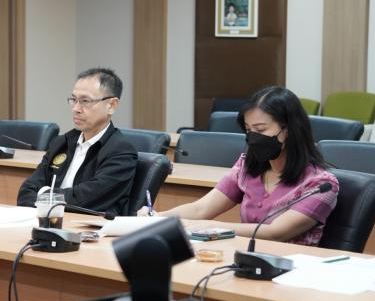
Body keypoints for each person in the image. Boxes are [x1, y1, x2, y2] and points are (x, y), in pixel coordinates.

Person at [140, 86, 339, 246]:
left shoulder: (321, 184)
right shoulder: (247, 167)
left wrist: (205, 227)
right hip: (247, 260)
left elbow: (275, 233)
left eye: (261, 129)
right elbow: (201, 208)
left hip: (291, 270)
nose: (253, 137)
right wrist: (158, 217)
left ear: (288, 130)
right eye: (249, 130)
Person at [17, 68, 138, 216]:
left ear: (111, 105)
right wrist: (49, 198)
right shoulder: (62, 142)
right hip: (49, 221)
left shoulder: (121, 152)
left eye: (85, 101)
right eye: (74, 100)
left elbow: (86, 199)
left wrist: (43, 195)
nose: (76, 109)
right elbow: (26, 192)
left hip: (88, 228)